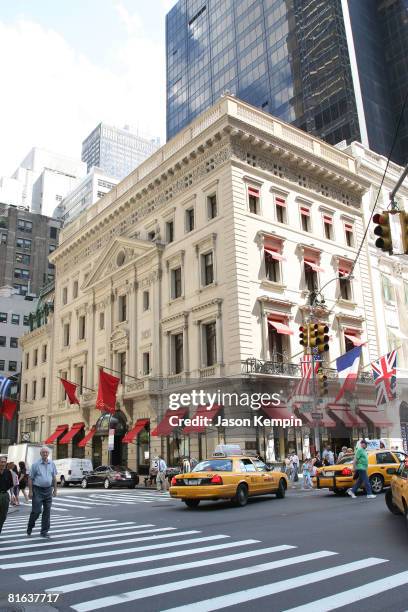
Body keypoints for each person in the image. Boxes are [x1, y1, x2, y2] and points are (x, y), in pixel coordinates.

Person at [27, 447, 58, 538]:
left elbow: (54, 478)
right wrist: (30, 491)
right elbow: (30, 478)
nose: (45, 454)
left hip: (48, 490)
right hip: (37, 490)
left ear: (48, 454)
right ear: (40, 454)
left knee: (47, 511)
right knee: (36, 511)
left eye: (46, 452)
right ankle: (30, 526)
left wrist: (55, 490)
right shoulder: (35, 465)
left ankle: (44, 531)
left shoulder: (52, 464)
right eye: (43, 452)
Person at [0, 456, 13, 534]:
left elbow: (11, 485)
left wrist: (13, 495)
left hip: (5, 495)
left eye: (4, 462)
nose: (3, 464)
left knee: (3, 516)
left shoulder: (8, 472)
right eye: (1, 462)